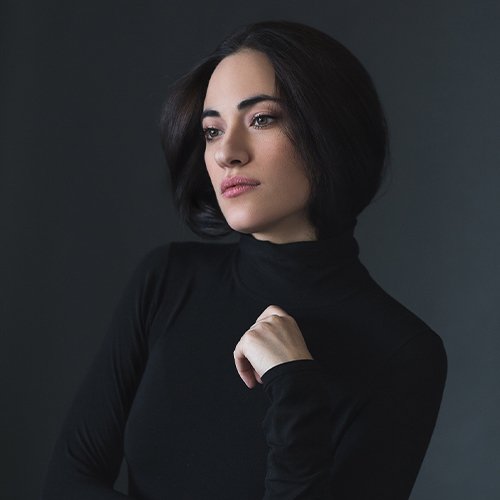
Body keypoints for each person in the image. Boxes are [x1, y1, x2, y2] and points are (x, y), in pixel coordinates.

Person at [42, 20, 447, 499]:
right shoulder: (168, 279)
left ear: (331, 129)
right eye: (212, 131)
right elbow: (66, 484)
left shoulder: (404, 352)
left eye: (261, 120)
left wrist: (294, 384)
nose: (226, 154)